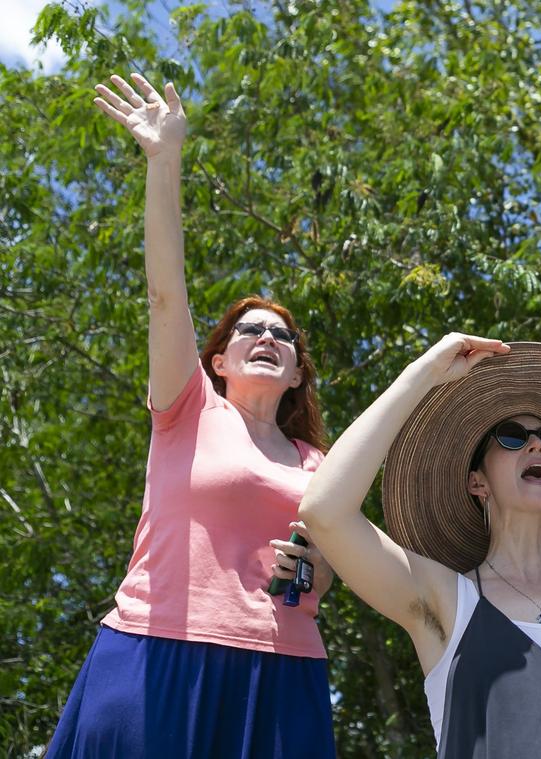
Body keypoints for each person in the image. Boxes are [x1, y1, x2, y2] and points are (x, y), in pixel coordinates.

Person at [47, 74, 337, 757]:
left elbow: (319, 582)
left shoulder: (319, 463)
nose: (268, 337)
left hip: (280, 668)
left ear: (297, 372)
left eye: (284, 336)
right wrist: (164, 161)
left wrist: (312, 566)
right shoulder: (187, 409)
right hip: (158, 652)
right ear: (217, 361)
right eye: (249, 331)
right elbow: (165, 295)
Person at [299, 336, 541, 757]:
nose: (536, 445)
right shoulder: (447, 600)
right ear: (478, 482)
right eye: (511, 436)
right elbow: (326, 511)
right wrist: (424, 375)